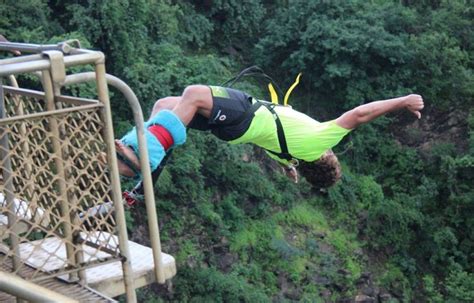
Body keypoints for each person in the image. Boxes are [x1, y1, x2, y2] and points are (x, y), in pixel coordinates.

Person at [116, 85, 424, 188]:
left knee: (194, 94)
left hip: (245, 113)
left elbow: (358, 116)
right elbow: (284, 159)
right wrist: (291, 170)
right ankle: (132, 158)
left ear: (327, 157)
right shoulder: (292, 157)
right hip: (232, 130)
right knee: (165, 106)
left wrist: (402, 101)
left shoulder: (319, 142)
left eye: (333, 155)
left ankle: (145, 156)